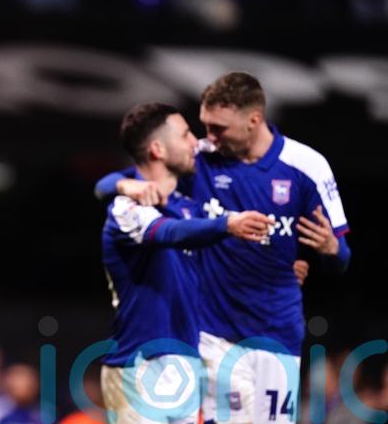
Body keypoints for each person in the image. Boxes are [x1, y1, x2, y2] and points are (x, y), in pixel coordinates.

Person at [96, 73, 351, 424]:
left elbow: (342, 259)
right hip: (211, 335)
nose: (206, 138)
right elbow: (118, 184)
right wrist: (124, 184)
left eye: (217, 128)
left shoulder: (305, 165)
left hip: (277, 333)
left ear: (254, 120)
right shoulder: (201, 160)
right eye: (201, 128)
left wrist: (330, 250)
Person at [99, 103, 272, 424]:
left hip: (187, 364)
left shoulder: (187, 205)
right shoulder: (125, 208)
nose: (195, 141)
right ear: (157, 149)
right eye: (185, 134)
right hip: (140, 365)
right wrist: (227, 224)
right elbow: (169, 233)